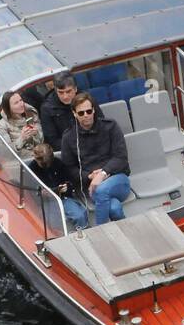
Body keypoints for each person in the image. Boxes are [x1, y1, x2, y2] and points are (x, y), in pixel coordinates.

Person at [60, 92, 131, 225]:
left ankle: (100, 232)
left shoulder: (111, 126)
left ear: (93, 110)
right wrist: (89, 176)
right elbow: (69, 168)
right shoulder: (69, 137)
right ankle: (125, 230)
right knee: (114, 208)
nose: (86, 115)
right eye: (81, 113)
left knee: (101, 189)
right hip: (90, 186)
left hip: (118, 179)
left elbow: (121, 158)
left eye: (88, 111)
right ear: (74, 114)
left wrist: (103, 174)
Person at [28, 143, 89, 230]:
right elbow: (31, 191)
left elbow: (70, 182)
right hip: (46, 203)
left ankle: (81, 234)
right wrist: (42, 194)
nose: (46, 165)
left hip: (64, 198)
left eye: (48, 163)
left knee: (80, 216)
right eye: (43, 164)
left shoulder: (59, 163)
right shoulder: (31, 169)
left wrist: (66, 188)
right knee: (52, 224)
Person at [38, 71, 79, 152]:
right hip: (65, 151)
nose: (65, 96)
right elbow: (52, 141)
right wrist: (75, 146)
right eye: (61, 92)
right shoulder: (47, 108)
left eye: (68, 91)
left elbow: (99, 124)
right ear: (56, 90)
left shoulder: (85, 99)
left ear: (75, 89)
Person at [0, 91, 43, 156]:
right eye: (16, 103)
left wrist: (36, 134)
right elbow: (6, 152)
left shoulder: (32, 113)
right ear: (8, 107)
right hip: (19, 160)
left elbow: (41, 141)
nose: (21, 104)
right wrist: (22, 138)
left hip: (38, 155)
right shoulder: (2, 125)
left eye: (21, 100)